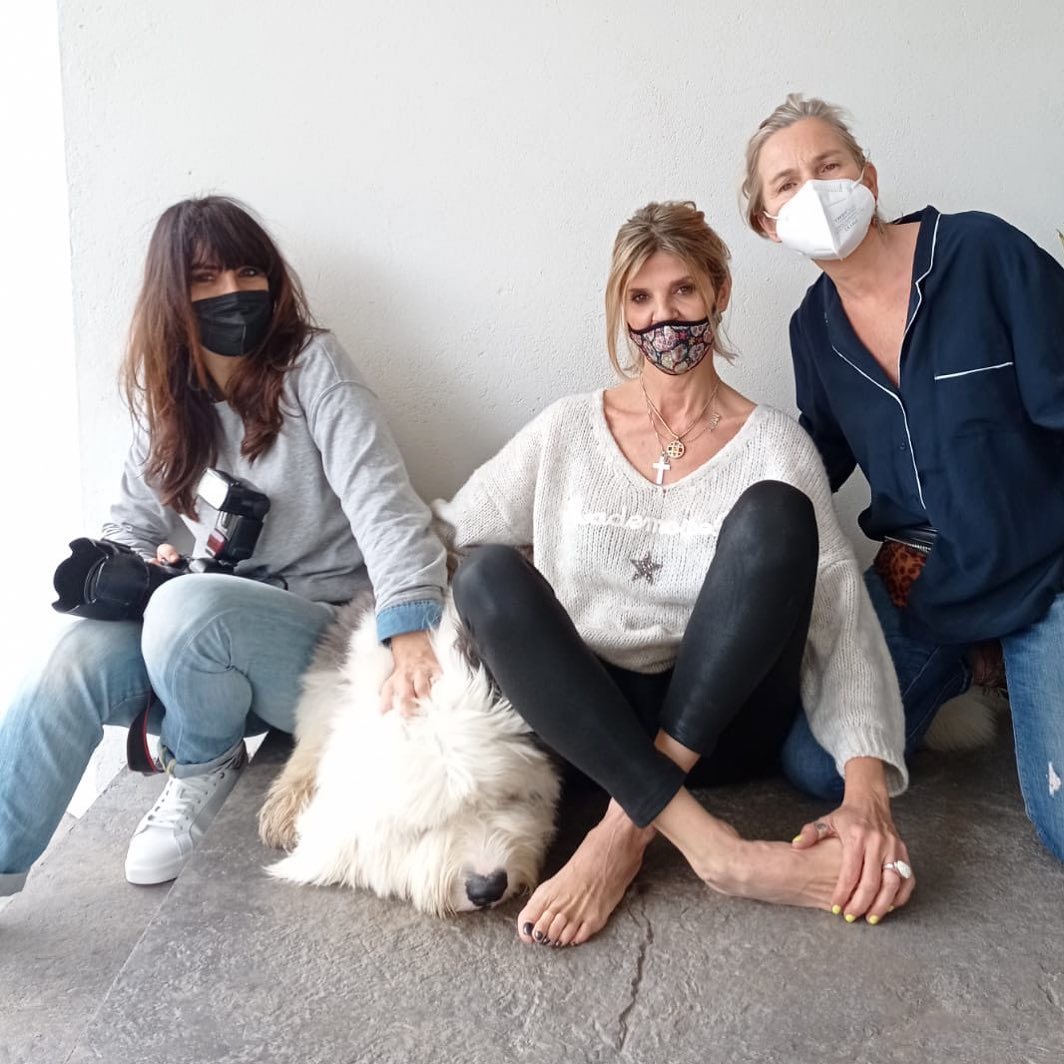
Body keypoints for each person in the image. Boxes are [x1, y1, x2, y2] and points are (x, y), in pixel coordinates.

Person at [434, 201, 913, 949]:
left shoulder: (774, 445)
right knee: (486, 574)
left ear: (720, 291)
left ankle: (619, 835)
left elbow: (839, 619)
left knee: (777, 512)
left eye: (683, 290)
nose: (664, 317)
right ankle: (719, 854)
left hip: (723, 727)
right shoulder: (566, 429)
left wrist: (866, 790)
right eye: (641, 298)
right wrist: (400, 632)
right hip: (590, 726)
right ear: (620, 310)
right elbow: (448, 533)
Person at [0, 196, 447, 897]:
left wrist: (413, 632)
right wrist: (135, 568)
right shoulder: (167, 398)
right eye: (205, 279)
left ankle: (202, 764)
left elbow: (386, 510)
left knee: (187, 609)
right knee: (70, 657)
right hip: (204, 651)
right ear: (171, 296)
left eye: (247, 271)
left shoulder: (313, 368)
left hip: (321, 640)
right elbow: (129, 525)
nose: (232, 292)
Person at [742, 93, 1064, 862]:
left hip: (1042, 568)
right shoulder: (813, 329)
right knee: (816, 766)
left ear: (868, 177)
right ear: (766, 222)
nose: (814, 191)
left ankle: (1012, 657)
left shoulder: (984, 253)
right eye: (786, 183)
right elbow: (818, 454)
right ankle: (958, 663)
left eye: (829, 166)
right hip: (922, 579)